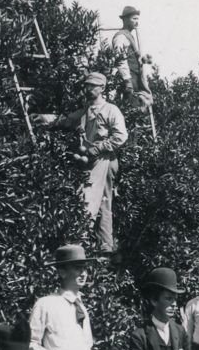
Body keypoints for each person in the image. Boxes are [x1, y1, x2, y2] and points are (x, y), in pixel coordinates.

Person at [34, 74, 128, 257]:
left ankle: (81, 243)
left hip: (105, 160)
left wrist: (98, 148)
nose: (88, 89)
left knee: (90, 198)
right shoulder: (86, 111)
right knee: (101, 203)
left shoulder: (111, 110)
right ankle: (104, 249)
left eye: (92, 86)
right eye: (86, 86)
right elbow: (66, 120)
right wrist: (43, 118)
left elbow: (121, 136)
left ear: (102, 88)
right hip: (90, 160)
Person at [110, 5, 154, 109]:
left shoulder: (129, 35)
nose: (136, 22)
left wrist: (143, 59)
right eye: (134, 19)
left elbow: (131, 56)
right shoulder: (121, 36)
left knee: (140, 105)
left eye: (137, 19)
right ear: (125, 19)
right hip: (129, 79)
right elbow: (120, 59)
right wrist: (127, 81)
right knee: (131, 107)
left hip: (135, 77)